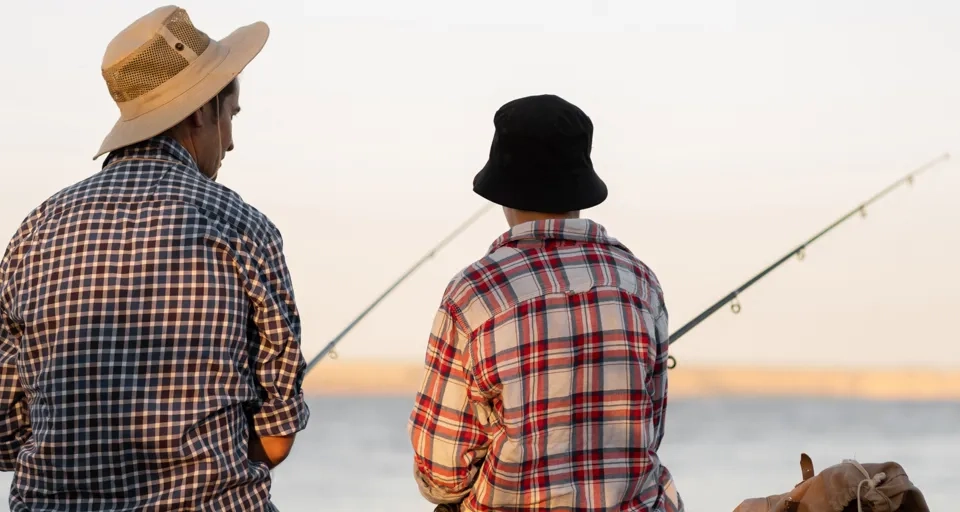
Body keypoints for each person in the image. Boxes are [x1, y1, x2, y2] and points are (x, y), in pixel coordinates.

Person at [0, 6, 309, 511]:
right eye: (230, 116)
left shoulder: (34, 231)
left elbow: (7, 433)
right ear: (200, 111)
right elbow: (277, 437)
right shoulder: (242, 227)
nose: (230, 141)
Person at [408, 94, 683, 511]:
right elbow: (652, 430)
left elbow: (441, 475)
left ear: (503, 192)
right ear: (581, 185)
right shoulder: (640, 283)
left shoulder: (473, 293)